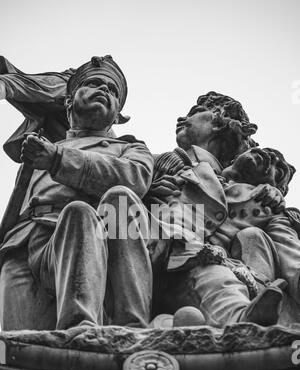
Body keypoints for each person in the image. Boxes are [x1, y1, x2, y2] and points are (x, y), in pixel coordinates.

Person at [0, 55, 154, 330]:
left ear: (117, 115)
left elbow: (134, 180)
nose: (104, 90)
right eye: (94, 83)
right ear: (69, 101)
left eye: (112, 90)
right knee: (15, 352)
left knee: (82, 212)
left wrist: (58, 159)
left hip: (90, 238)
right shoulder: (40, 149)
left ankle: (86, 329)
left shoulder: (130, 149)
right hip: (26, 244)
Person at [147, 92, 299, 327]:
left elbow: (290, 254)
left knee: (216, 277)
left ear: (219, 122)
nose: (180, 119)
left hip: (206, 268)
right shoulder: (153, 163)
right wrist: (146, 192)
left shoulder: (260, 200)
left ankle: (244, 321)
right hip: (150, 255)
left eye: (196, 113)